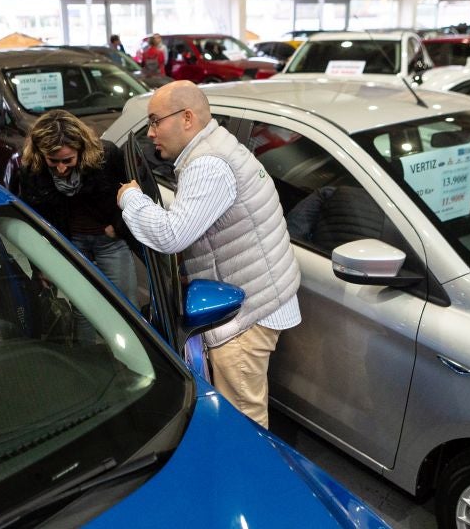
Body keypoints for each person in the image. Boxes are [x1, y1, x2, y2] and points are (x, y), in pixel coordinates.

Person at [117, 80, 301, 428]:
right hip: (259, 291)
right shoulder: (219, 146)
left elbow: (171, 235)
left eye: (156, 121)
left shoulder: (208, 165)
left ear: (186, 118)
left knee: (243, 416)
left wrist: (131, 198)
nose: (151, 132)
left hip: (246, 312)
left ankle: (247, 478)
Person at [18, 110, 137, 341]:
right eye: (53, 162)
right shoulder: (32, 170)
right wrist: (41, 265)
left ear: (82, 150)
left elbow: (132, 195)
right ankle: (92, 362)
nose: (61, 169)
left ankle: (132, 363)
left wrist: (118, 227)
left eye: (67, 160)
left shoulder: (106, 156)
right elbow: (31, 220)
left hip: (109, 242)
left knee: (127, 308)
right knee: (84, 310)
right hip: (70, 244)